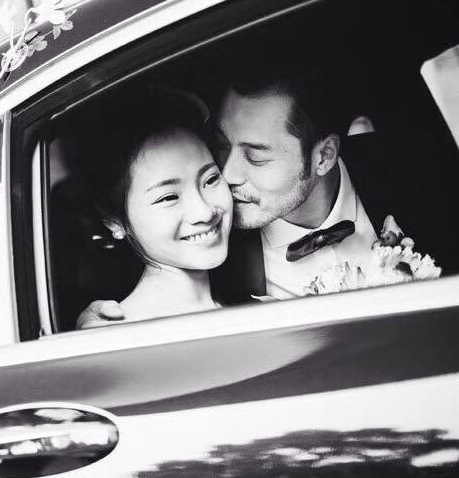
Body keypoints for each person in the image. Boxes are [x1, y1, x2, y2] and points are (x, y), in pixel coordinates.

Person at [80, 65, 391, 326]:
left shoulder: (405, 170)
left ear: (324, 156)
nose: (228, 176)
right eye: (222, 147)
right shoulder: (215, 253)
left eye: (256, 157)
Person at [77, 104, 232, 328]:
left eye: (210, 180)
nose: (205, 212)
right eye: (169, 197)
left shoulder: (241, 305)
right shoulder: (124, 333)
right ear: (115, 222)